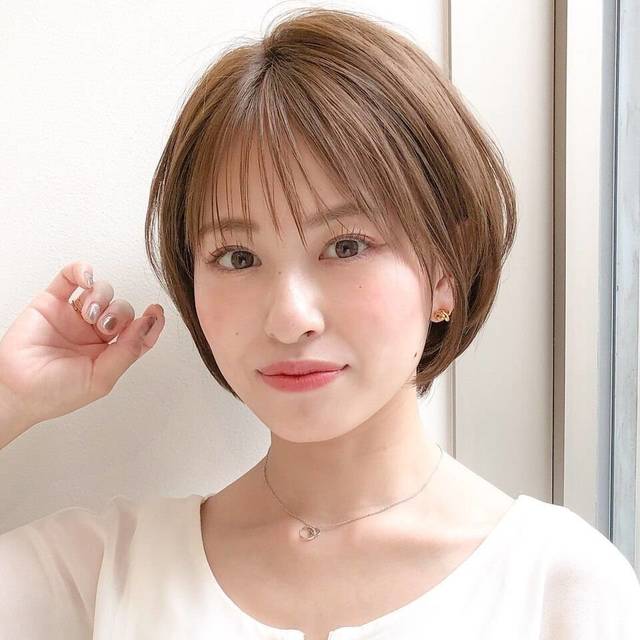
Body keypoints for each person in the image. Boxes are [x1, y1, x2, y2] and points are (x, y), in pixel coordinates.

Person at [1, 6, 639, 640]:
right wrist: (9, 398)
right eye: (238, 257)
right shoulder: (105, 573)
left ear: (447, 265)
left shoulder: (558, 586)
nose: (290, 318)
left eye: (346, 245)